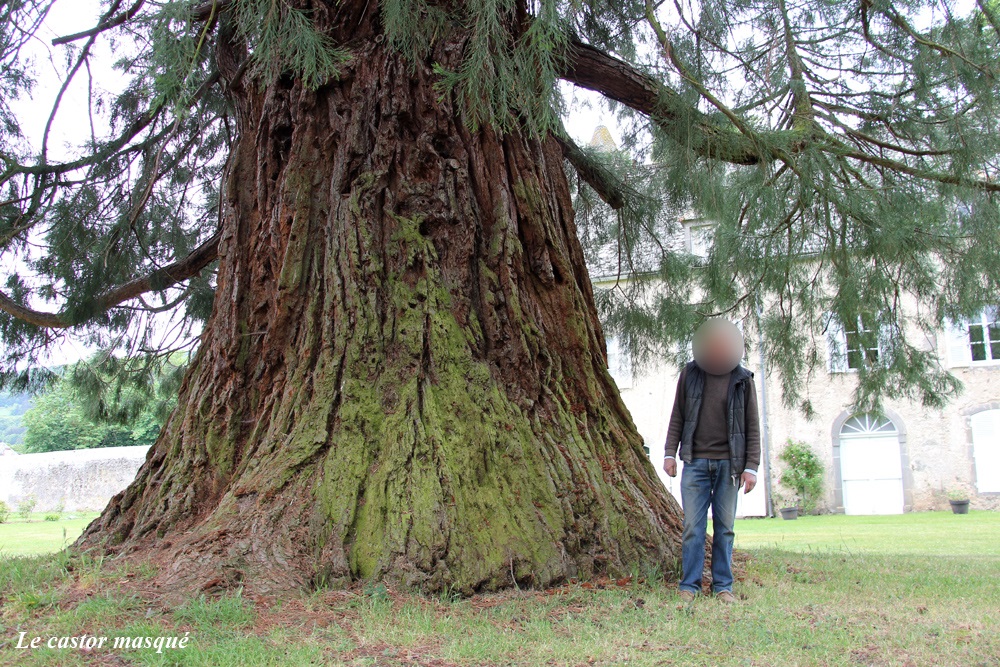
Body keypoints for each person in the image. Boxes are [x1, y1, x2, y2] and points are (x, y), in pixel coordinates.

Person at [663, 317, 761, 604]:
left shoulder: (743, 380)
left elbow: (752, 426)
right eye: (713, 343)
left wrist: (751, 468)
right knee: (693, 527)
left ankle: (723, 586)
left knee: (725, 527)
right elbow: (677, 415)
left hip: (730, 466)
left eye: (724, 344)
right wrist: (670, 452)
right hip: (695, 463)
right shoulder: (690, 374)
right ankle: (689, 586)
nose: (718, 348)